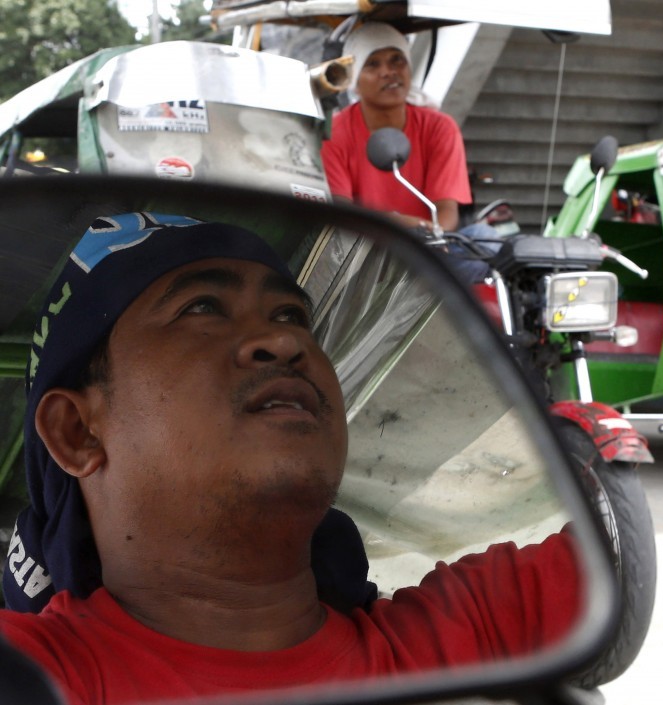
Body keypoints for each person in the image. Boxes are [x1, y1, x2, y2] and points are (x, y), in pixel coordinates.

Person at [0, 213, 581, 705]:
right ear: (76, 432)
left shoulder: (475, 624)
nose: (284, 343)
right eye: (201, 308)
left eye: (290, 317)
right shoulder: (35, 675)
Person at [320, 22, 471, 232]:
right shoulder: (334, 133)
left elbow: (446, 215)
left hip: (428, 250)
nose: (388, 72)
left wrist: (428, 234)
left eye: (396, 60)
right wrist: (404, 226)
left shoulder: (440, 128)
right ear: (354, 78)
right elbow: (342, 215)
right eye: (372, 64)